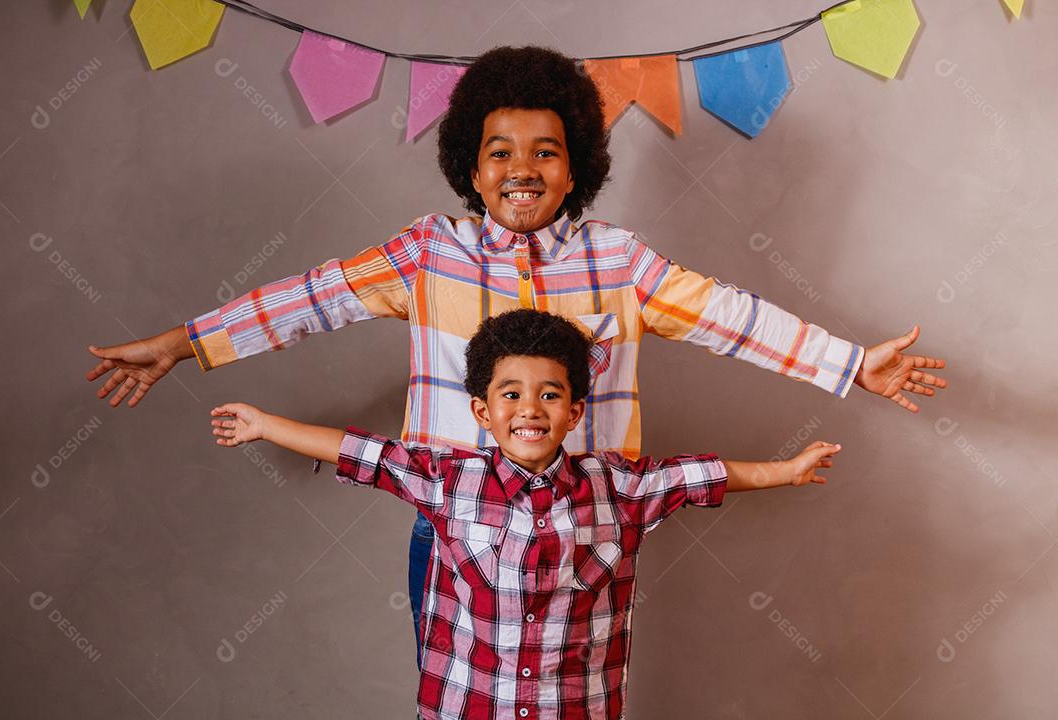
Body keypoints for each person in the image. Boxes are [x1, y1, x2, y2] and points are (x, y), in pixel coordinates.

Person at [85, 45, 947, 669]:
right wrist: (184, 344)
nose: (522, 168)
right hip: (454, 535)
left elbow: (730, 316)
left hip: (590, 543)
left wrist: (848, 363)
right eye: (500, 152)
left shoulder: (620, 264)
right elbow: (307, 301)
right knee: (460, 695)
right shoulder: (426, 255)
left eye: (546, 151)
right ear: (472, 167)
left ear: (576, 170)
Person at [208, 309, 845, 720]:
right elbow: (360, 452)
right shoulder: (448, 479)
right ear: (483, 412)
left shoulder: (618, 487)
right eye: (510, 394)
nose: (530, 408)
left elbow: (704, 476)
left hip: (576, 709)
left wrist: (785, 471)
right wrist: (265, 425)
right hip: (467, 706)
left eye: (549, 394)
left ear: (573, 411)